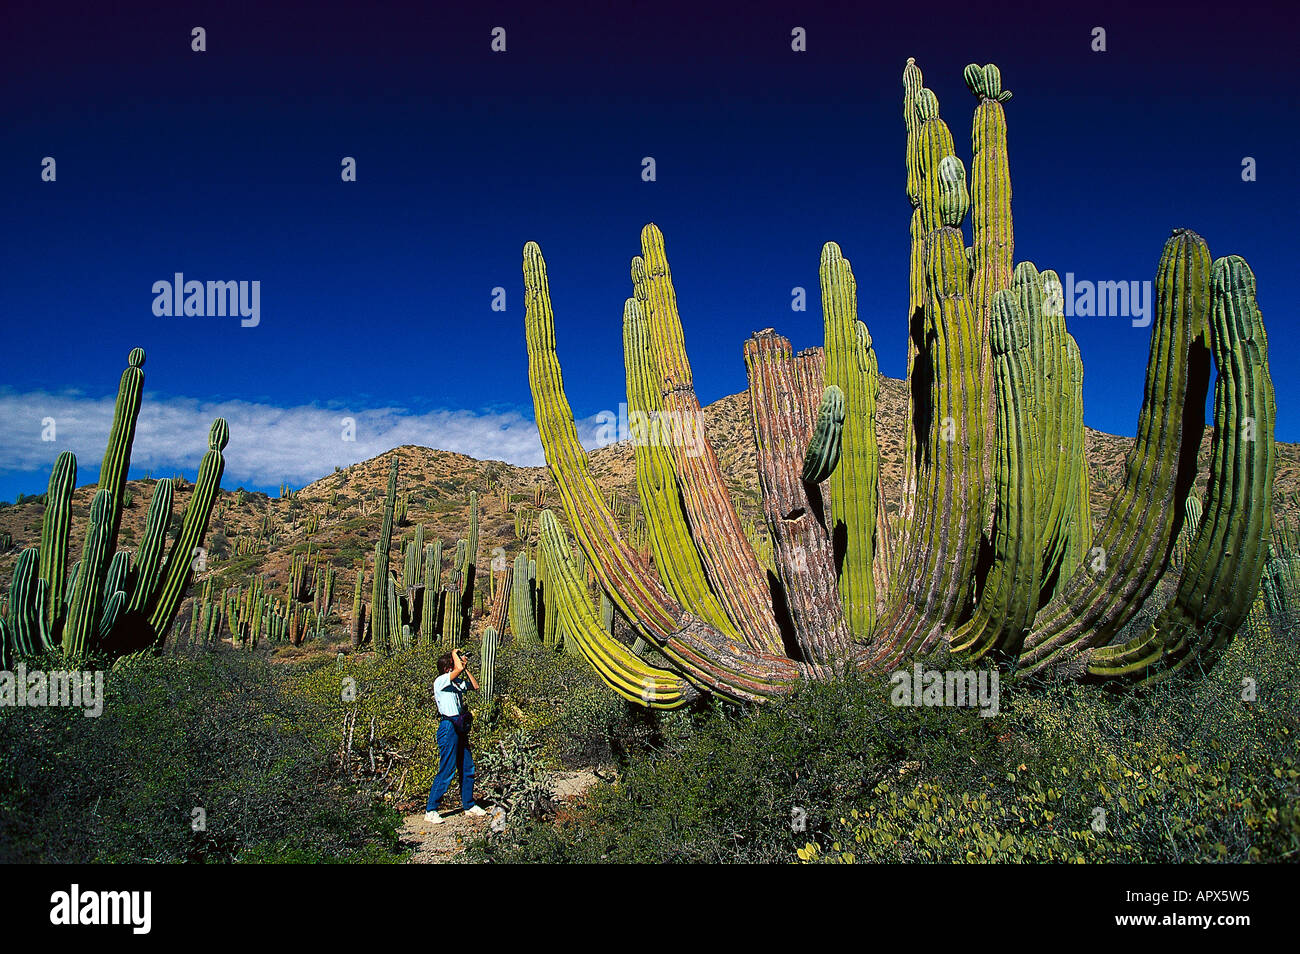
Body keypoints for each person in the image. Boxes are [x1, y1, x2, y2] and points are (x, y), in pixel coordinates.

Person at [425, 648, 487, 824]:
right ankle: (431, 809)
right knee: (447, 768)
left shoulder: (456, 683)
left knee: (468, 766)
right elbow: (457, 670)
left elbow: (475, 686)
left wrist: (465, 668)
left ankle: (469, 804)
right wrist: (454, 652)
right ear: (447, 668)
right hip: (448, 726)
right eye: (455, 664)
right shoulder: (440, 681)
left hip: (459, 726)